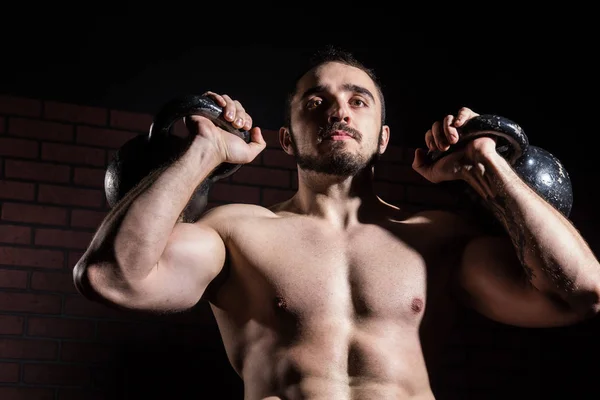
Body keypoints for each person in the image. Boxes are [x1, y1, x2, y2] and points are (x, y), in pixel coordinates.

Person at [73, 46, 600, 400]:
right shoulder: (235, 231)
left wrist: (488, 163)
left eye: (357, 100)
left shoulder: (434, 236)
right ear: (286, 138)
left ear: (384, 136)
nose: (337, 112)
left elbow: (578, 294)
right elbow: (113, 277)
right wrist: (204, 152)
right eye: (316, 102)